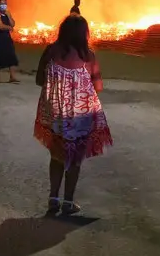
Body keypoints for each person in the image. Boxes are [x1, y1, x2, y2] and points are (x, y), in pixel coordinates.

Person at [34, 15, 113, 215]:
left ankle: (53, 197)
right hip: (80, 114)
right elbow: (98, 86)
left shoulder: (51, 51)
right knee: (75, 158)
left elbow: (39, 79)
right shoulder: (88, 56)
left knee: (56, 154)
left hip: (56, 112)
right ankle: (68, 201)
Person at [0, 0, 20, 83]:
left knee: (11, 55)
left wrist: (8, 16)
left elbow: (13, 23)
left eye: (5, 4)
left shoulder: (8, 13)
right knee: (0, 57)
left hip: (7, 37)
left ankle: (12, 77)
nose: (3, 5)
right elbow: (0, 25)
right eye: (1, 4)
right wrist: (9, 27)